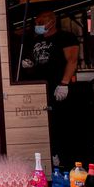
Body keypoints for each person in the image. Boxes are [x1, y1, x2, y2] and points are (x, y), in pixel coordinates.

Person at [22, 10, 79, 168]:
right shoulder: (35, 40)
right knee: (47, 124)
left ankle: (66, 161)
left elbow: (72, 60)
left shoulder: (65, 37)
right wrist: (30, 65)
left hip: (59, 87)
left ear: (52, 22)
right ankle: (51, 155)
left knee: (62, 124)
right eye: (36, 23)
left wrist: (64, 83)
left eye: (41, 22)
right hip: (41, 89)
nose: (37, 25)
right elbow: (38, 63)